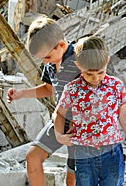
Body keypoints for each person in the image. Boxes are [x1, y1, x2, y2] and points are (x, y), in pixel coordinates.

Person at [7, 15, 80, 186]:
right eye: (41, 59)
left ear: (61, 45)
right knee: (32, 157)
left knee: (73, 179)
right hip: (60, 120)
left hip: (81, 126)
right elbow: (48, 89)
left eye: (46, 57)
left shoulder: (79, 60)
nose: (44, 62)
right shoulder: (50, 64)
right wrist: (21, 93)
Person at [53, 36, 126, 186]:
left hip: (112, 153)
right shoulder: (72, 89)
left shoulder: (116, 86)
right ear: (79, 65)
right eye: (89, 74)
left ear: (107, 62)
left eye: (100, 72)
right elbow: (59, 113)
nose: (95, 78)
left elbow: (123, 114)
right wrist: (59, 136)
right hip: (84, 154)